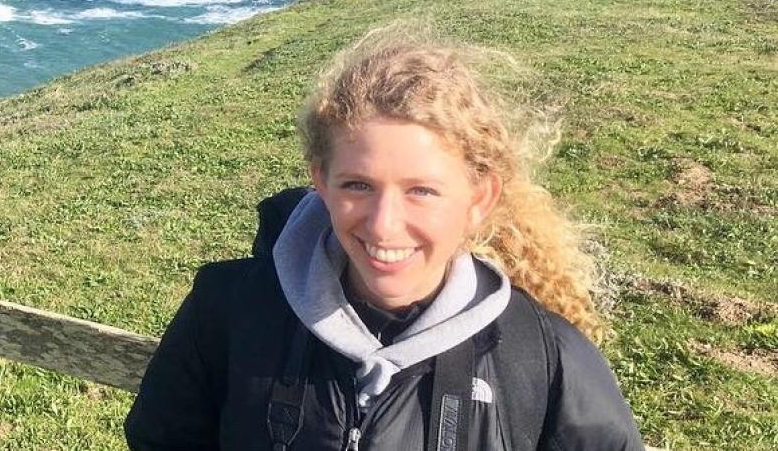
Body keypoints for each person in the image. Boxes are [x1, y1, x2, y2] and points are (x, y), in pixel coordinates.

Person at [125, 23, 645, 451]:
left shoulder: (545, 359)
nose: (382, 224)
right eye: (358, 186)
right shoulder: (227, 311)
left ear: (479, 197)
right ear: (320, 184)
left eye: (421, 190)